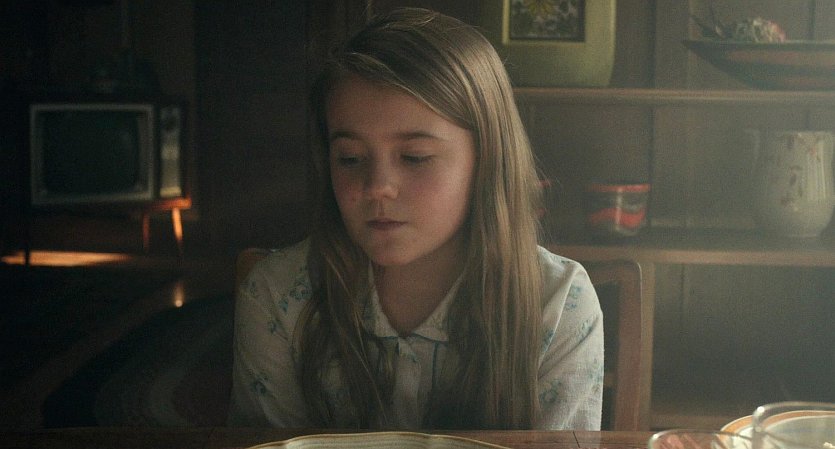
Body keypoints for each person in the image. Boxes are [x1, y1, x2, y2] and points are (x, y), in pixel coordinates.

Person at [228, 7, 603, 430]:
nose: (378, 187)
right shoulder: (279, 296)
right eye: (350, 158)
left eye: (415, 157)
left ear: (486, 160)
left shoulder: (555, 304)